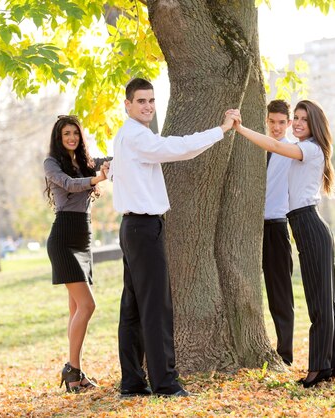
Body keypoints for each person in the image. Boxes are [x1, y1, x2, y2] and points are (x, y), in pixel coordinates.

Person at [108, 77, 239, 397]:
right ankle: (165, 383)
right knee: (155, 308)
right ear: (127, 105)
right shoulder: (138, 136)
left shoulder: (126, 136)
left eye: (151, 100)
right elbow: (178, 148)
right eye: (141, 101)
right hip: (142, 228)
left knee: (134, 308)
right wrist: (220, 130)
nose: (148, 106)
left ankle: (133, 382)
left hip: (133, 229)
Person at [231, 99, 335, 388]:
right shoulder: (309, 148)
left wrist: (240, 129)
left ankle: (318, 368)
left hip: (309, 225)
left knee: (320, 304)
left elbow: (274, 146)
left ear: (314, 125)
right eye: (295, 117)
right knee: (328, 303)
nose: (296, 123)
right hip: (308, 225)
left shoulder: (307, 149)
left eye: (302, 120)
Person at [44, 115, 110, 393]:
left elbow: (114, 159)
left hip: (83, 237)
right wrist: (98, 177)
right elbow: (70, 185)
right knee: (87, 306)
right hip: (63, 238)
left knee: (75, 309)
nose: (71, 138)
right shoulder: (52, 163)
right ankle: (72, 369)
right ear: (59, 138)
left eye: (75, 133)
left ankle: (75, 371)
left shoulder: (86, 160)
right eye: (66, 134)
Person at [262, 100, 295, 366]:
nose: (276, 127)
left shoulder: (292, 151)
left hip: (276, 226)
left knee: (280, 292)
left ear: (289, 123)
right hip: (249, 229)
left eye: (281, 122)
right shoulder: (257, 147)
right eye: (272, 122)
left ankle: (285, 353)